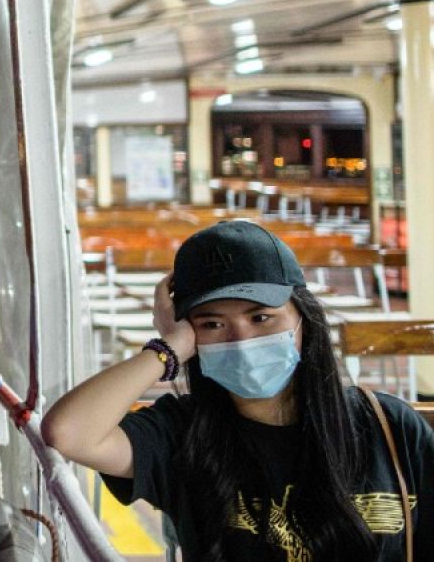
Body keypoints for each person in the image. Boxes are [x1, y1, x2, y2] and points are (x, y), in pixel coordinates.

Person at [43, 219, 433, 561]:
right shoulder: (183, 435)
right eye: (212, 325)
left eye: (261, 317)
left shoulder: (389, 427)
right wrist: (168, 347)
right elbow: (69, 432)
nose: (241, 339)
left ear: (304, 319)